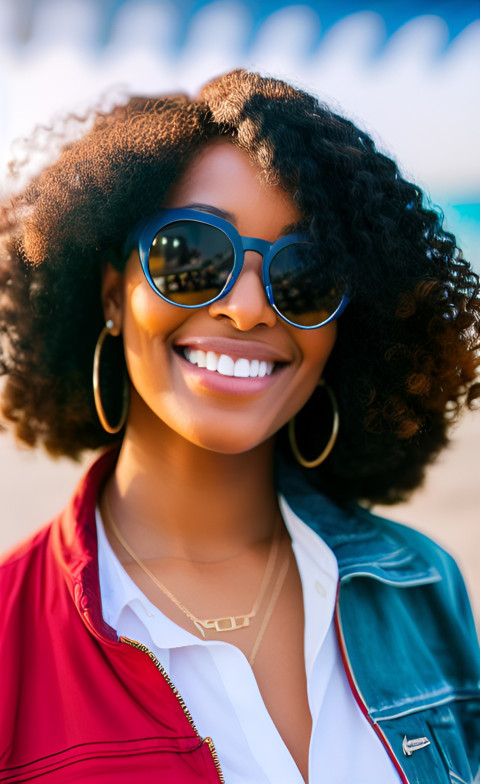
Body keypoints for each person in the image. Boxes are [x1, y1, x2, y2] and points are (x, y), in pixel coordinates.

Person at [0, 69, 479, 784]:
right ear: (110, 293)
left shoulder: (423, 587)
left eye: (305, 274)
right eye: (191, 255)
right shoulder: (10, 641)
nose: (251, 308)